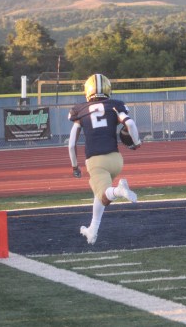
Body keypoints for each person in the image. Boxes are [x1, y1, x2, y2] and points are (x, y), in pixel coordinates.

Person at [68, 73, 142, 245]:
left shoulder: (80, 110)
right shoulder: (115, 106)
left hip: (96, 161)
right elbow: (129, 124)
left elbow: (71, 145)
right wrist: (136, 142)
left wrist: (74, 167)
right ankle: (92, 230)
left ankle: (119, 191)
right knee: (99, 192)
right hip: (116, 160)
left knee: (104, 194)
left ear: (88, 90)